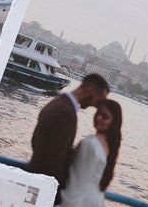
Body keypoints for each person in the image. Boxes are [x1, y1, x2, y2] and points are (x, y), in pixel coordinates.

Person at [29, 73, 110, 206]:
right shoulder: (66, 114)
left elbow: (38, 142)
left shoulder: (57, 103)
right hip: (45, 191)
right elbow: (54, 160)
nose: (96, 105)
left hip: (36, 182)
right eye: (98, 100)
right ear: (89, 89)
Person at [61, 99, 122, 207]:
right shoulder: (109, 146)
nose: (98, 118)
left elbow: (76, 182)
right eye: (98, 113)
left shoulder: (89, 143)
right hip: (95, 201)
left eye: (105, 116)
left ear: (113, 122)